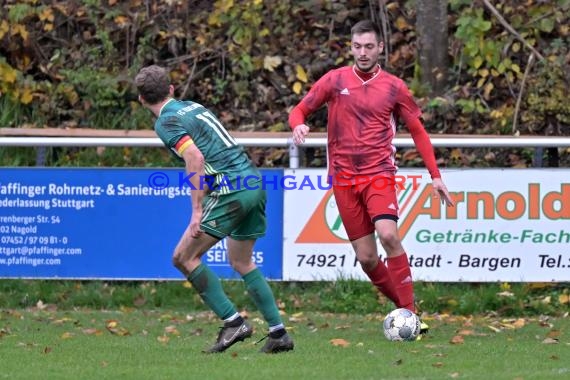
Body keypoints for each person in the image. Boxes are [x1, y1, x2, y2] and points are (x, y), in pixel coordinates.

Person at [288, 20, 454, 336]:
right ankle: (409, 312)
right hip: (343, 180)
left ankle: (409, 317)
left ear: (380, 48)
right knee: (366, 258)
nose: (362, 53)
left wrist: (435, 176)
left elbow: (418, 131)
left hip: (379, 174)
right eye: (357, 46)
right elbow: (299, 110)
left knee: (389, 235)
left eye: (369, 46)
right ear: (351, 48)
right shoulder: (335, 81)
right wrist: (297, 125)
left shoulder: (394, 87)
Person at [135, 65, 294, 354]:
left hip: (231, 190)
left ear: (141, 100)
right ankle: (278, 333)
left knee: (183, 257)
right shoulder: (193, 107)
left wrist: (197, 210)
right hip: (252, 182)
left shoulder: (165, 122)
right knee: (242, 262)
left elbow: (194, 158)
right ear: (171, 89)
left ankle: (233, 322)